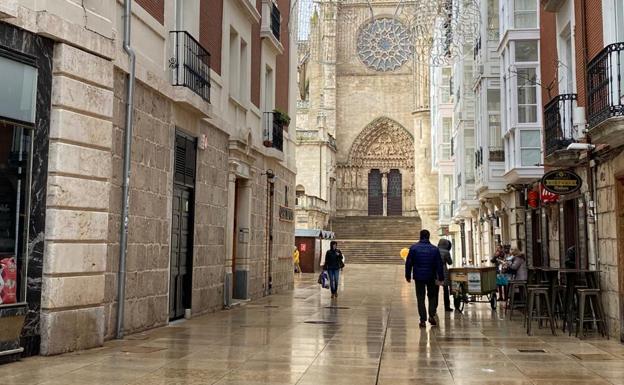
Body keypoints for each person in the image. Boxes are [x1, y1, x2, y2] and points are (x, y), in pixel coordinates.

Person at [405, 229, 444, 327]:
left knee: (420, 298)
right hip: (431, 276)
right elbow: (439, 264)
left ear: (420, 236)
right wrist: (441, 277)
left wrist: (408, 275)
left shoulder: (414, 248)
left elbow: (408, 263)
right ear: (428, 236)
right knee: (432, 296)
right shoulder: (435, 249)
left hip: (419, 277)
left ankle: (422, 319)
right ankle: (431, 315)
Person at [437, 239, 453, 312]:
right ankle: (447, 307)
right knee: (445, 290)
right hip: (444, 272)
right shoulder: (446, 252)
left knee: (435, 290)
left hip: (435, 271)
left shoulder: (435, 250)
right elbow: (450, 262)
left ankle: (434, 306)